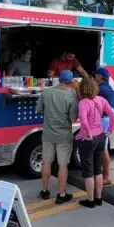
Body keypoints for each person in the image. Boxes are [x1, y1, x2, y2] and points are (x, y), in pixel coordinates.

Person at [36, 70, 79, 203]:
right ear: (71, 81)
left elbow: (39, 109)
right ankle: (61, 194)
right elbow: (73, 118)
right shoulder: (72, 96)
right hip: (64, 135)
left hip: (48, 134)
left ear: (59, 79)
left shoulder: (47, 92)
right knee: (62, 165)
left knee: (47, 162)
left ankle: (45, 191)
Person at [74, 78, 114, 209]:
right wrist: (109, 131)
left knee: (88, 171)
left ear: (82, 89)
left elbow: (84, 121)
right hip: (101, 136)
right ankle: (99, 197)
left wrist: (87, 133)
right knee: (98, 169)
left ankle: (90, 200)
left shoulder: (83, 103)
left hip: (89, 138)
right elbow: (113, 116)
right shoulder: (101, 100)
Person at [94, 68, 114, 186]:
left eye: (96, 76)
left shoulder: (101, 89)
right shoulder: (107, 87)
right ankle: (105, 176)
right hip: (106, 120)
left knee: (103, 150)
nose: (95, 78)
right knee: (103, 149)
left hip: (103, 121)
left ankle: (106, 177)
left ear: (100, 77)